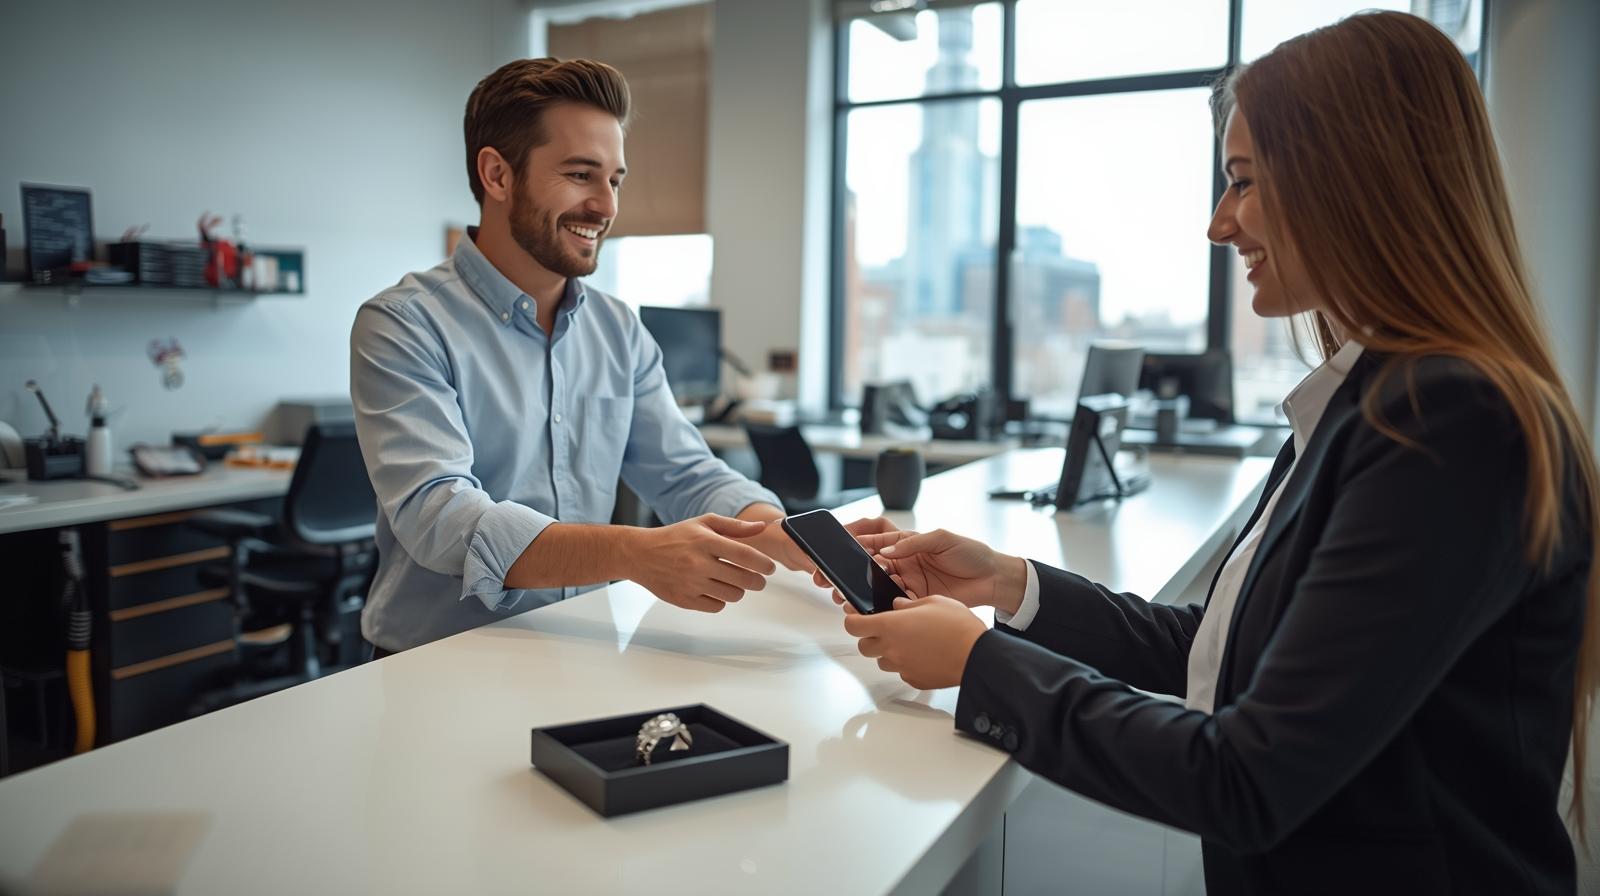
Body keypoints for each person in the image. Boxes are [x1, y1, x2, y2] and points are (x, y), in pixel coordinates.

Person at [827, 12, 1598, 894]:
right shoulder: (1365, 406)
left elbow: (1246, 776)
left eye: (1243, 183)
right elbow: (1223, 651)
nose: (1218, 226)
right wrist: (1008, 584)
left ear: (1354, 181)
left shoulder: (1445, 424)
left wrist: (977, 664)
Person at [351, 58, 806, 655]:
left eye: (614, 179)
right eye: (579, 174)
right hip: (437, 661)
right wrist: (632, 552)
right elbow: (441, 519)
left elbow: (686, 474)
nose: (606, 205)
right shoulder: (404, 324)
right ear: (497, 174)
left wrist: (787, 537)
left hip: (583, 647)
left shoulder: (619, 330)